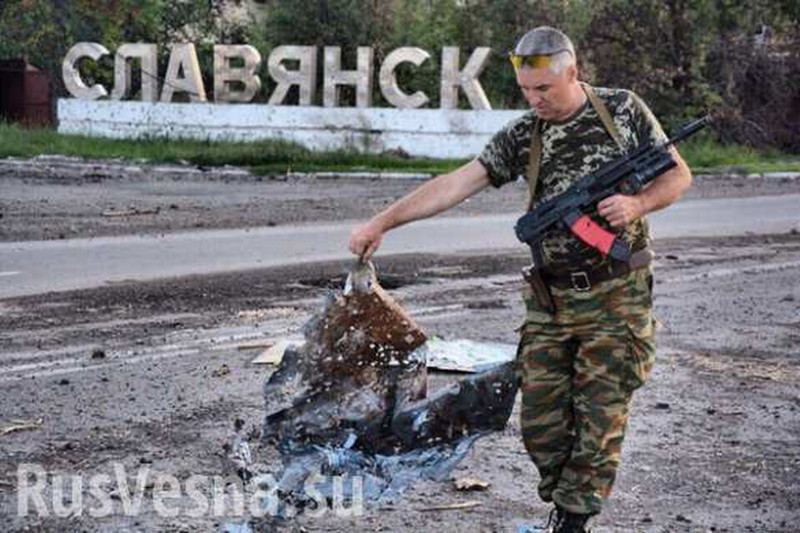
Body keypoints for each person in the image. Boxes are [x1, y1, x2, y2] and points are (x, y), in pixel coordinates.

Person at [349, 26, 692, 533]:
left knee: (599, 420)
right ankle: (565, 503)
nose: (535, 101)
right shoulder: (523, 134)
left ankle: (574, 521)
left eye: (545, 90)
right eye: (527, 91)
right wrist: (382, 222)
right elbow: (455, 184)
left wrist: (637, 204)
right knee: (541, 427)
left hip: (616, 294)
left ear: (572, 72)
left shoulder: (622, 111)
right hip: (550, 300)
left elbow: (678, 174)